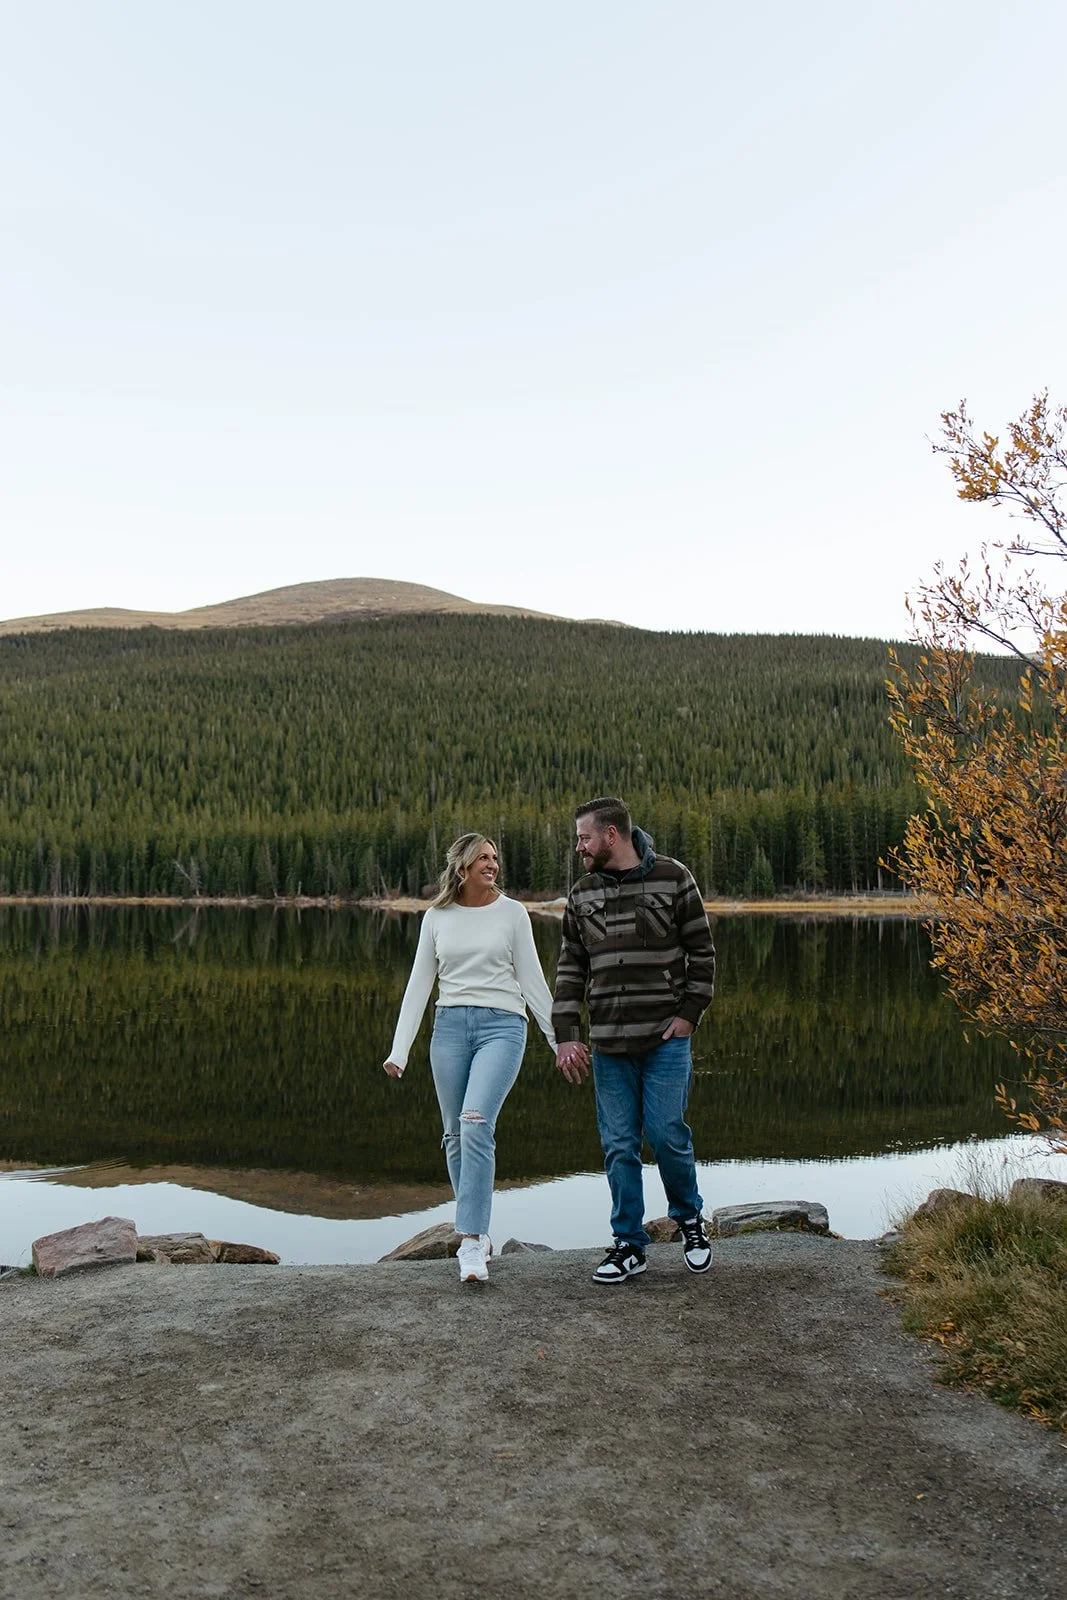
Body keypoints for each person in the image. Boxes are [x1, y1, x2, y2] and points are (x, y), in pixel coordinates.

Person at [552, 797, 716, 1284]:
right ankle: (629, 1244)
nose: (578, 846)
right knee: (619, 1145)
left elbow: (702, 952)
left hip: (665, 1039)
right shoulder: (581, 894)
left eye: (584, 837)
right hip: (608, 1045)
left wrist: (690, 1014)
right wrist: (566, 1036)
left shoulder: (673, 877)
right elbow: (570, 968)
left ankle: (689, 1220)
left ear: (610, 835)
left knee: (667, 1135)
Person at [383, 832, 557, 1283]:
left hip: (503, 1026)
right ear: (462, 867)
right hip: (449, 1031)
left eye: (495, 857)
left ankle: (472, 1241)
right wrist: (399, 1050)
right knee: (454, 1135)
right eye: (483, 857)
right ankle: (474, 1229)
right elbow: (419, 986)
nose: (493, 864)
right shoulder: (437, 916)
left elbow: (534, 984)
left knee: (475, 1120)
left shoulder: (514, 914)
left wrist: (561, 1041)